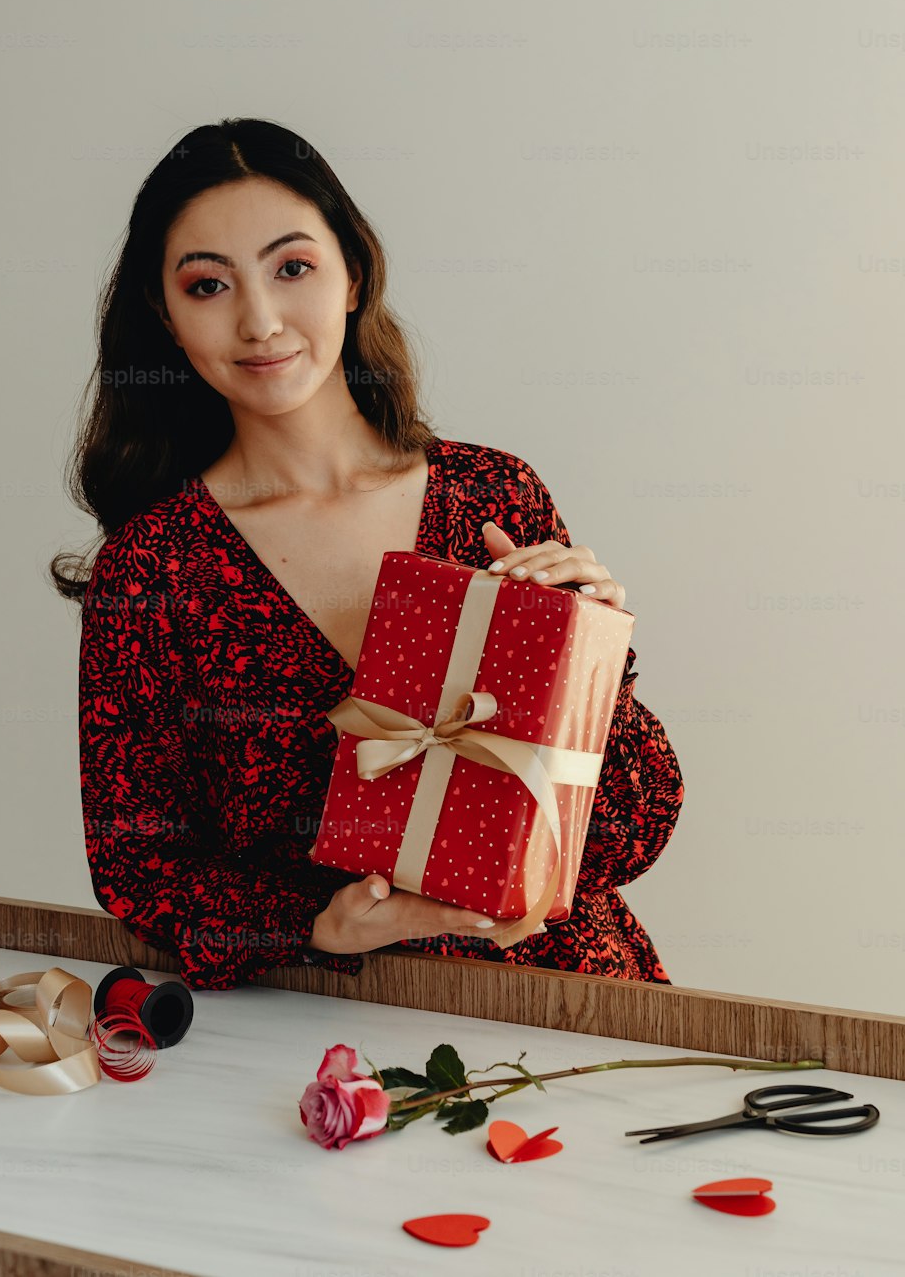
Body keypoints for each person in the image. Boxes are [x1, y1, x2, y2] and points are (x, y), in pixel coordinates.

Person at [56, 117, 684, 992]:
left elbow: (630, 828)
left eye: (294, 268)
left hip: (573, 1001)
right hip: (331, 1044)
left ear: (353, 274)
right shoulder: (155, 568)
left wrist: (595, 661)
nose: (261, 320)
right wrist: (313, 927)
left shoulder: (490, 496)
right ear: (165, 316)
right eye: (209, 285)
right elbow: (138, 869)